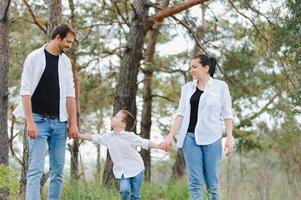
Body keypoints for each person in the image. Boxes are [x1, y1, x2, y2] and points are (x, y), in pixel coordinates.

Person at [13, 24, 78, 200]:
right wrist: (30, 122)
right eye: (68, 42)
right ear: (57, 37)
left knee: (58, 171)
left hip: (60, 123)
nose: (69, 46)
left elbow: (70, 95)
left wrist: (73, 123)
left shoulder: (65, 62)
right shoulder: (34, 57)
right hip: (38, 120)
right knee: (35, 169)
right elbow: (25, 92)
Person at [160, 54, 234, 200]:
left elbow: (227, 114)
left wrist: (229, 138)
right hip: (190, 138)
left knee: (212, 183)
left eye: (195, 67)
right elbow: (180, 114)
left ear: (206, 68)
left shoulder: (221, 87)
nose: (191, 70)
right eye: (190, 67)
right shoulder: (187, 88)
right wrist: (170, 136)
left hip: (212, 139)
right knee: (195, 182)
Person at [77, 109, 163, 200]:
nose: (113, 117)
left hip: (137, 169)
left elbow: (145, 143)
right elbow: (94, 137)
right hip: (122, 171)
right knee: (124, 190)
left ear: (123, 124)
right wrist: (78, 135)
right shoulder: (108, 137)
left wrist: (160, 146)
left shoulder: (130, 136)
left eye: (116, 117)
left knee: (135, 196)